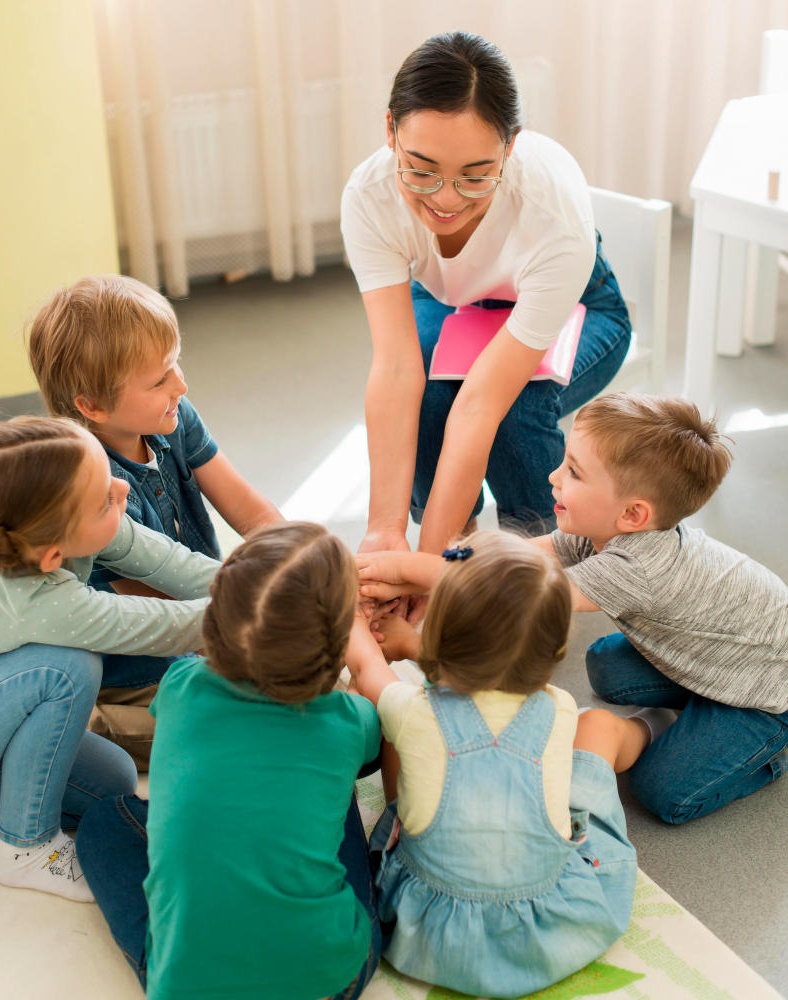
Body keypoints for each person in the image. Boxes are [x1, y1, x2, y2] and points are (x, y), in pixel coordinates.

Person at [341, 31, 631, 560]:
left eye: (475, 177)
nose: (445, 200)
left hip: (580, 306)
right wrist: (386, 534)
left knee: (512, 413)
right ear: (389, 130)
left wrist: (425, 569)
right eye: (421, 171)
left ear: (510, 145)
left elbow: (481, 405)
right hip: (453, 299)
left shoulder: (553, 217)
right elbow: (396, 368)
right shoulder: (370, 196)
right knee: (428, 394)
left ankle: (537, 560)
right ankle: (456, 543)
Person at [76, 522, 382, 1000]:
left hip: (190, 987)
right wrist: (365, 669)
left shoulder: (181, 684)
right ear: (336, 645)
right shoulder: (346, 720)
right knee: (331, 781)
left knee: (103, 822)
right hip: (331, 980)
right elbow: (372, 740)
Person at [348, 531, 658, 998]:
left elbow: (369, 667)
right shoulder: (558, 711)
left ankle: (408, 815)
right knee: (598, 732)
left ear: (436, 636)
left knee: (395, 719)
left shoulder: (414, 710)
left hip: (431, 936)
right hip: (554, 931)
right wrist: (420, 647)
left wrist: (356, 621)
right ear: (555, 652)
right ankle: (651, 727)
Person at [27, 274, 282, 763]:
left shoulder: (176, 414)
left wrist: (304, 564)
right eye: (160, 379)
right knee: (246, 721)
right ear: (92, 406)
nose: (181, 385)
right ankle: (77, 728)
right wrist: (265, 620)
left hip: (205, 612)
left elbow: (252, 511)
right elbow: (155, 604)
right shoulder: (85, 487)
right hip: (144, 662)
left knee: (307, 674)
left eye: (176, 364)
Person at [0, 409, 218, 900]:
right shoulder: (34, 598)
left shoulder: (65, 524)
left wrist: (270, 576)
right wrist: (285, 601)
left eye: (107, 472)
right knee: (66, 668)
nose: (122, 489)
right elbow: (166, 627)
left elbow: (175, 564)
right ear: (51, 557)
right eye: (103, 499)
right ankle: (25, 847)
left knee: (115, 782)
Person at [528, 391, 788, 824]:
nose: (554, 477)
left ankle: (769, 750)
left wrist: (428, 586)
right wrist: (442, 563)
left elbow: (526, 596)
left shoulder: (637, 566)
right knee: (605, 665)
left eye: (573, 471)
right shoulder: (601, 526)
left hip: (768, 698)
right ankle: (695, 716)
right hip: (725, 658)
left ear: (632, 514)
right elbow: (521, 560)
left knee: (663, 792)